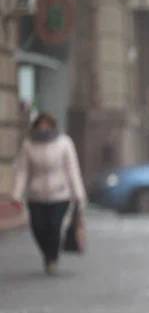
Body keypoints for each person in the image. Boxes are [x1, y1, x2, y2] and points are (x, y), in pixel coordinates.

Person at [12, 113, 86, 275]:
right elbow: (22, 171)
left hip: (60, 194)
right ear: (36, 126)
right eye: (40, 125)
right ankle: (47, 253)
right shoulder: (28, 145)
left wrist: (79, 195)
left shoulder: (64, 143)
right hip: (36, 195)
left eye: (47, 124)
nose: (43, 128)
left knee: (54, 226)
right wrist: (16, 195)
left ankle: (52, 258)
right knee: (37, 227)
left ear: (52, 126)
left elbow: (73, 170)